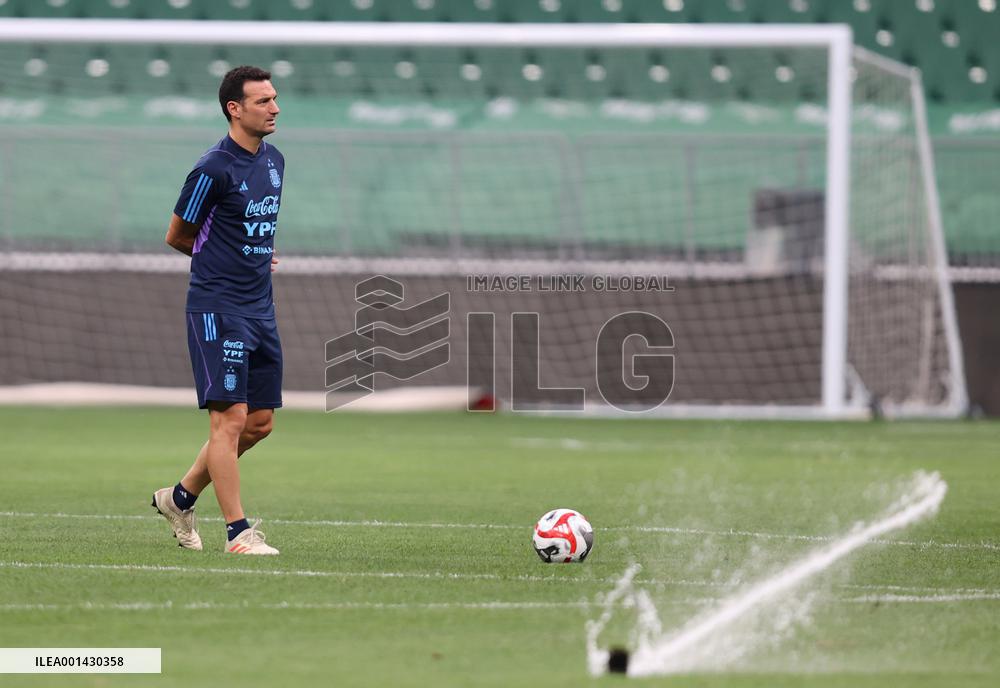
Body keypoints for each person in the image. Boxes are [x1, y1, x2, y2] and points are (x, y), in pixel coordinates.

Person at [152, 65, 284, 555]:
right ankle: (239, 534)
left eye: (274, 99)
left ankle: (180, 497)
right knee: (229, 420)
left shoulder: (275, 162)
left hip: (259, 307)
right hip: (216, 306)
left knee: (260, 422)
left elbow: (247, 226)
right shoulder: (212, 168)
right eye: (263, 101)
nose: (274, 108)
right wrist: (221, 261)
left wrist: (257, 254)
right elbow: (178, 236)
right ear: (235, 108)